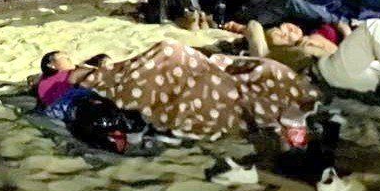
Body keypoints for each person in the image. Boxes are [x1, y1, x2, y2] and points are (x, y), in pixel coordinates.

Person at [49, 40, 318, 140]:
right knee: (170, 54)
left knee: (170, 53)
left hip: (215, 81)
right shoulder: (281, 82)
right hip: (212, 80)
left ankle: (98, 76)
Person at [248, 19, 380, 97]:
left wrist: (318, 44)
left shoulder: (312, 38)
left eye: (285, 28)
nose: (286, 32)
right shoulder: (276, 56)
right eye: (280, 35)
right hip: (326, 73)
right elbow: (254, 26)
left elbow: (337, 51)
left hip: (352, 76)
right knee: (374, 26)